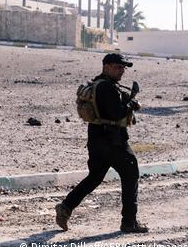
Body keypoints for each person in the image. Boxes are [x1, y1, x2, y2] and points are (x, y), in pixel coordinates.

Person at [56, 53, 148, 233]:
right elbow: (116, 113)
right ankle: (129, 222)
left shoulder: (99, 84)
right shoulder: (107, 87)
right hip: (112, 140)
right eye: (117, 67)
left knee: (95, 177)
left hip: (96, 139)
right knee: (131, 173)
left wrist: (128, 100)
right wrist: (131, 105)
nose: (121, 71)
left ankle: (66, 207)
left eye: (123, 68)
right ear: (106, 67)